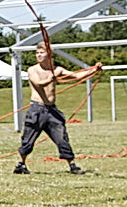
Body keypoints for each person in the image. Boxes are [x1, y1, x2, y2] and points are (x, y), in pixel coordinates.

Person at [15, 42, 102, 175]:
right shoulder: (32, 70)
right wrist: (51, 78)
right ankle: (21, 165)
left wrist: (94, 70)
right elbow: (38, 84)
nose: (38, 55)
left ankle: (72, 166)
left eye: (42, 52)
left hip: (52, 110)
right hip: (37, 110)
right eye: (37, 52)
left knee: (62, 138)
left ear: (49, 54)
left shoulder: (57, 70)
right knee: (28, 139)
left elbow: (76, 76)